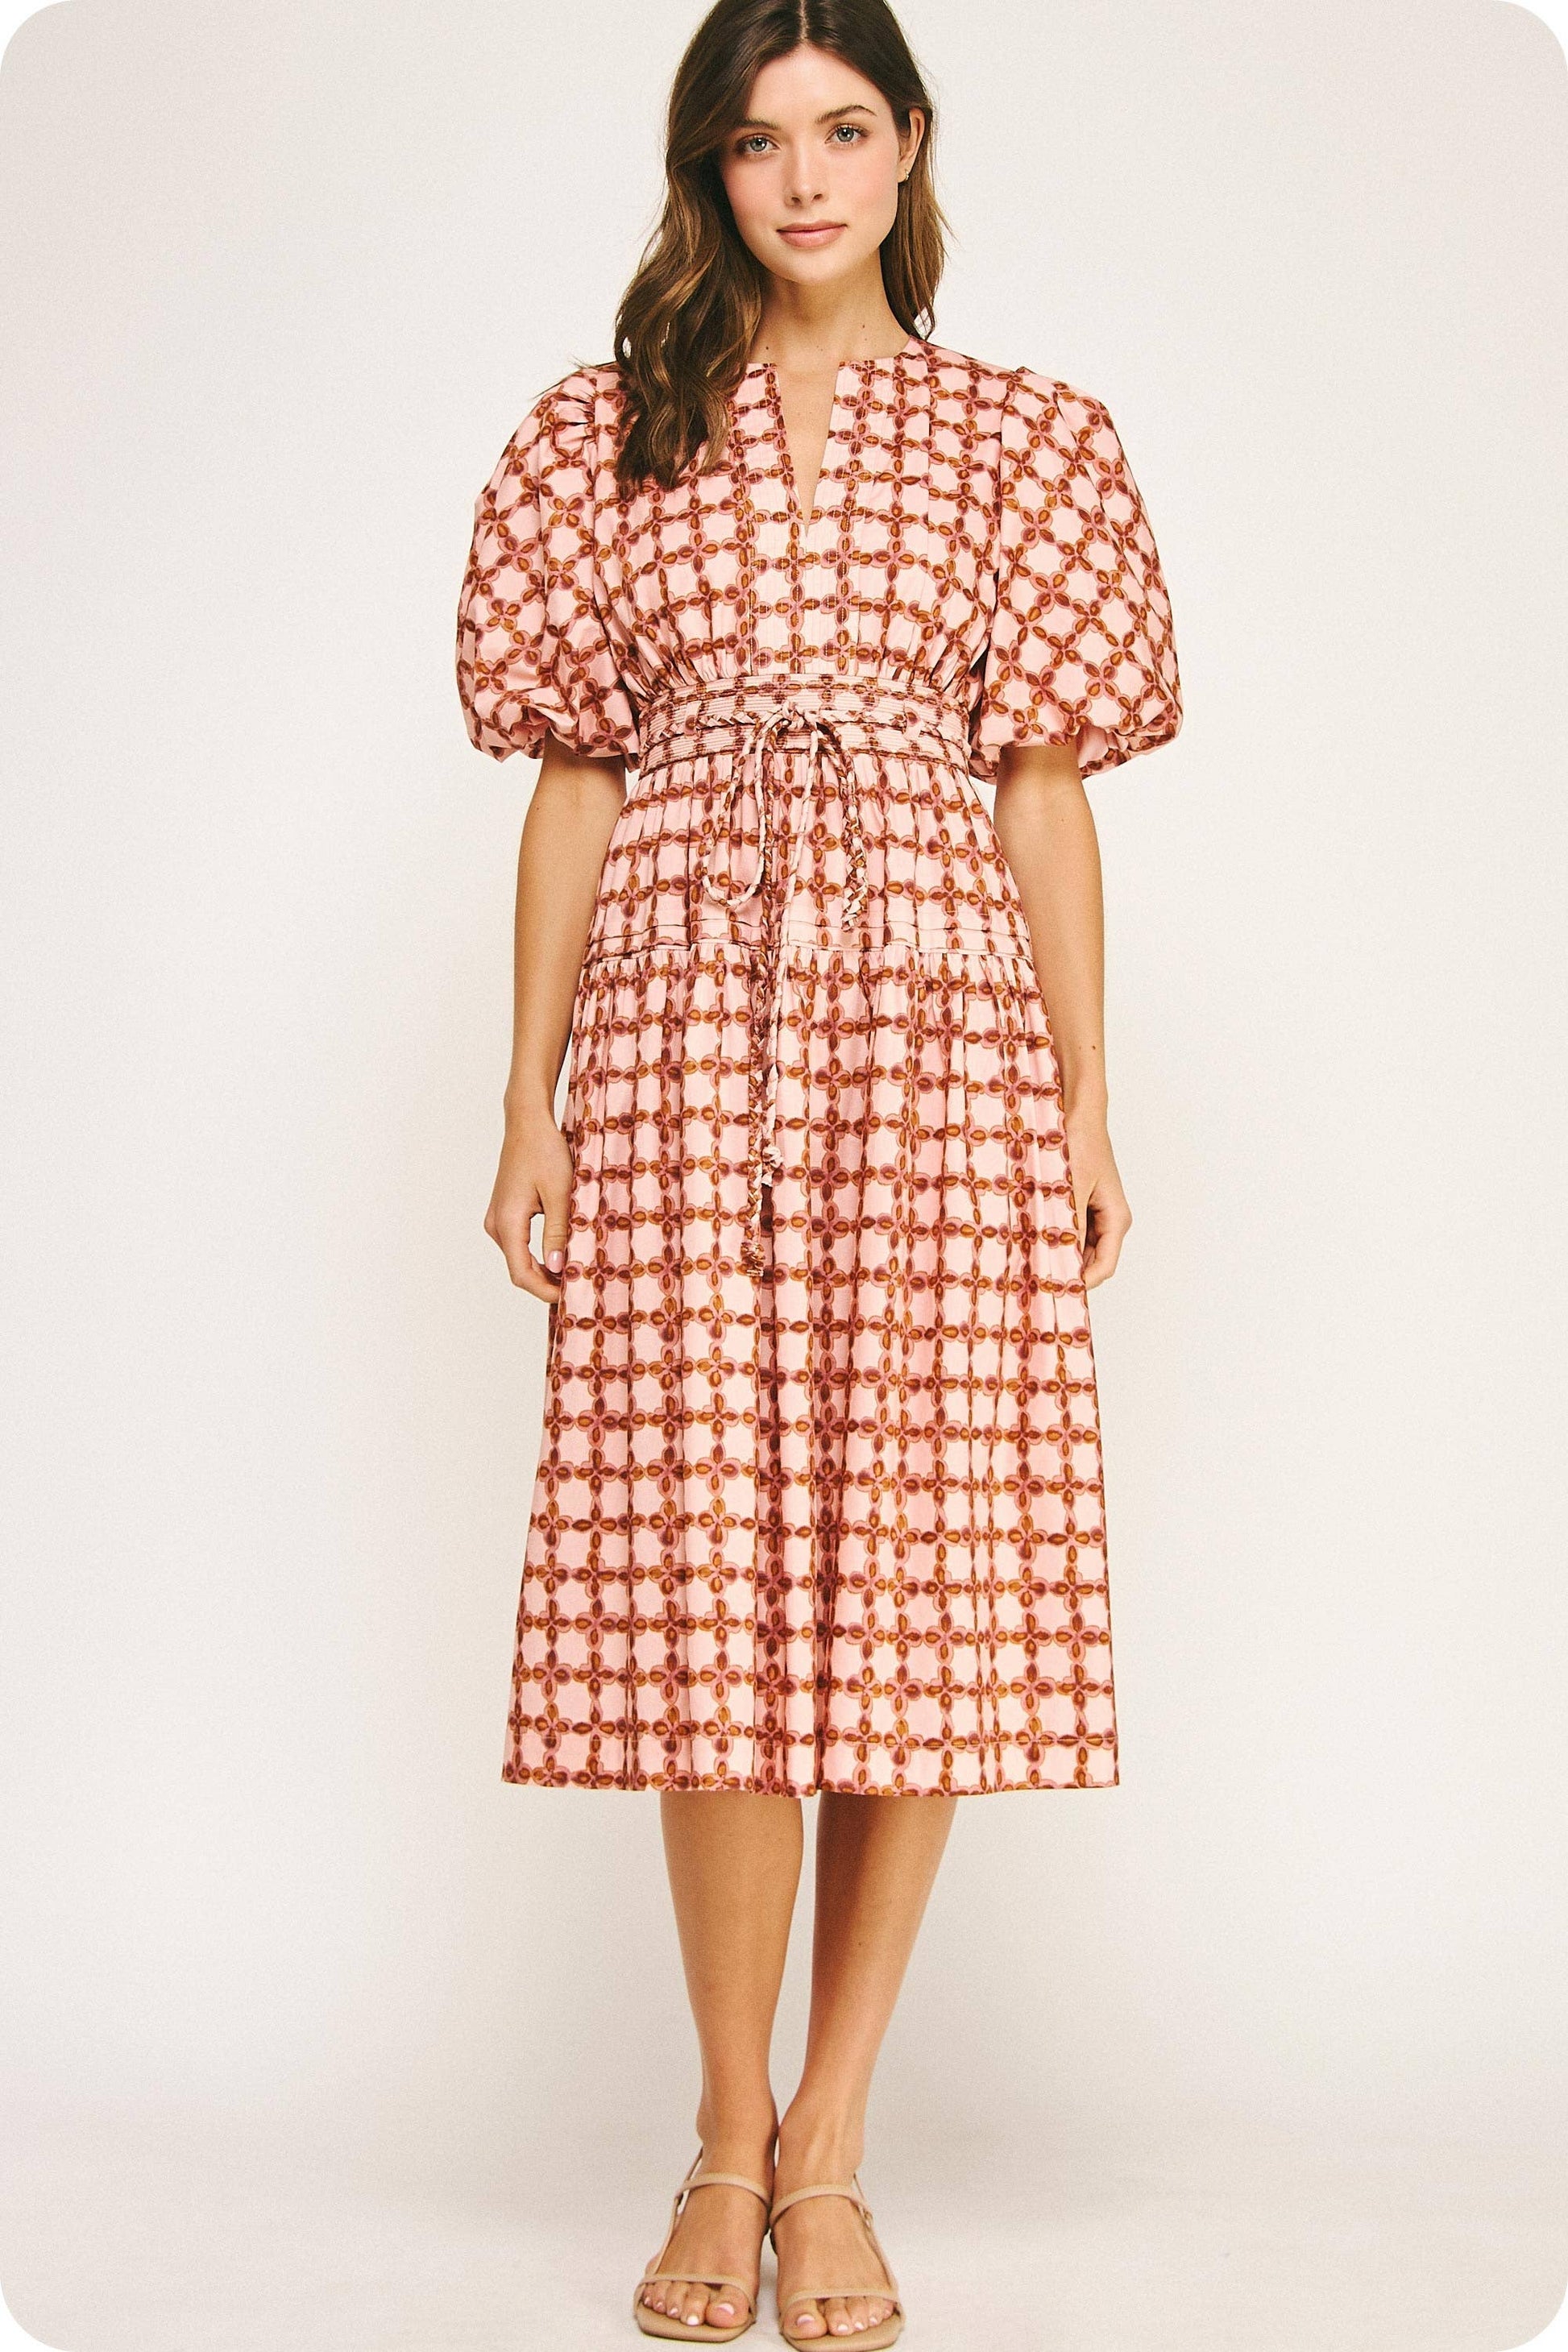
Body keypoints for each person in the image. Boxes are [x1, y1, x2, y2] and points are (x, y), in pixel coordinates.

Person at [454, 1, 1182, 2340]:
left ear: (908, 146)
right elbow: (570, 779)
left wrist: (1082, 1101)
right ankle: (722, 2133)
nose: (802, 178)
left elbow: (1044, 794)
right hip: (676, 1028)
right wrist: (528, 1098)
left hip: (936, 1035)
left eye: (843, 128)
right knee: (709, 1581)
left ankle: (832, 2146)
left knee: (910, 1579)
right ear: (707, 169)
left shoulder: (1029, 439)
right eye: (757, 139)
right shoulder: (596, 434)